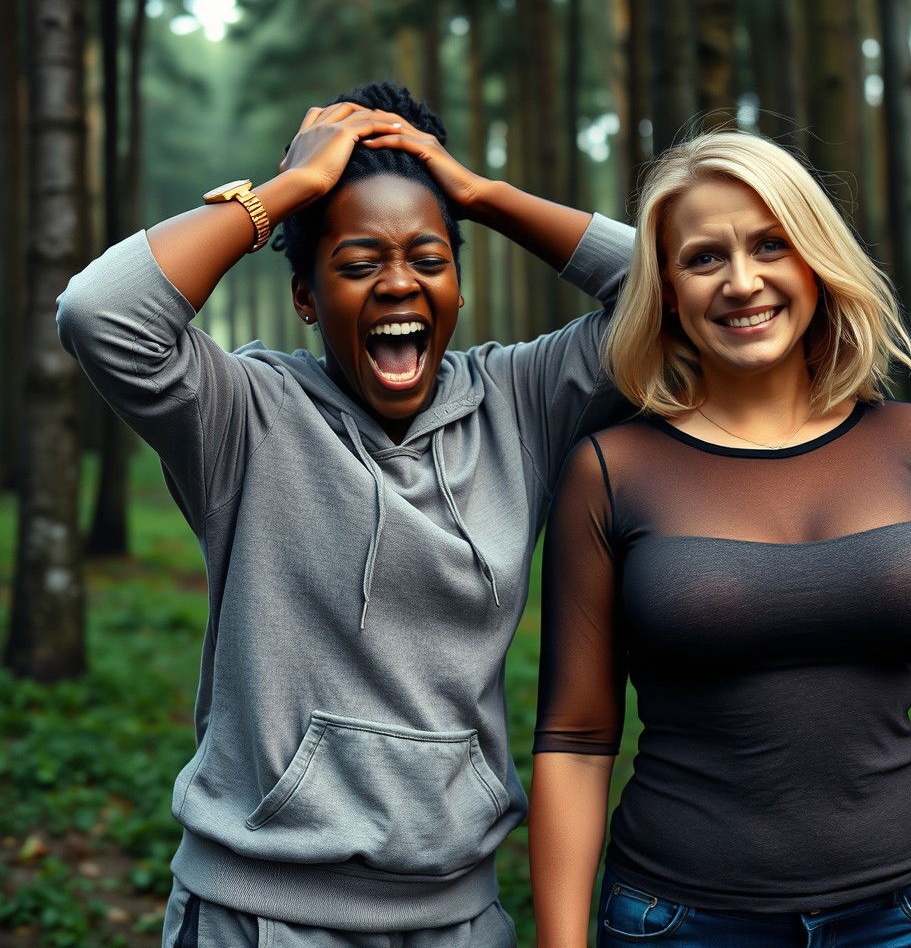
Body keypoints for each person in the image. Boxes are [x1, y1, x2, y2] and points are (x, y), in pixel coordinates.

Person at [57, 81, 635, 948]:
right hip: (261, 916)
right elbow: (99, 313)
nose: (398, 283)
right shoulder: (243, 416)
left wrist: (478, 193)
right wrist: (284, 192)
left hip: (459, 918)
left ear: (459, 286)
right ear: (305, 296)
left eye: (429, 259)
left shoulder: (521, 401)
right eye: (359, 264)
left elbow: (672, 299)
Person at [529, 130, 911, 948]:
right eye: (704, 258)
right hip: (680, 922)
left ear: (817, 262)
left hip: (903, 918)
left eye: (771, 245)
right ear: (668, 291)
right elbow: (577, 741)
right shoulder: (611, 470)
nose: (743, 281)